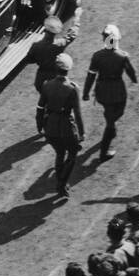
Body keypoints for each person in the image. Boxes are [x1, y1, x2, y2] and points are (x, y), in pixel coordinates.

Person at [83, 23, 138, 161]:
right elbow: (131, 71)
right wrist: (134, 79)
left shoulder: (97, 56)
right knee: (115, 116)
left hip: (102, 91)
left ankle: (110, 126)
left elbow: (91, 75)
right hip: (118, 90)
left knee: (110, 114)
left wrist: (85, 92)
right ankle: (104, 151)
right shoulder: (122, 56)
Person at [40, 53, 85, 199]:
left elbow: (40, 108)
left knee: (60, 153)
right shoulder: (72, 88)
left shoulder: (47, 85)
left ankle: (60, 180)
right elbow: (77, 113)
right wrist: (82, 132)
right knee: (72, 155)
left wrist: (40, 125)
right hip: (66, 126)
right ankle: (61, 183)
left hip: (50, 126)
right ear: (69, 69)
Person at [28, 15, 77, 133]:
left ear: (45, 30)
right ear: (55, 33)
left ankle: (43, 125)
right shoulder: (59, 44)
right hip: (55, 79)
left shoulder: (36, 45)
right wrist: (77, 21)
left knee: (43, 102)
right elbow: (72, 36)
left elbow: (29, 59)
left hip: (40, 80)